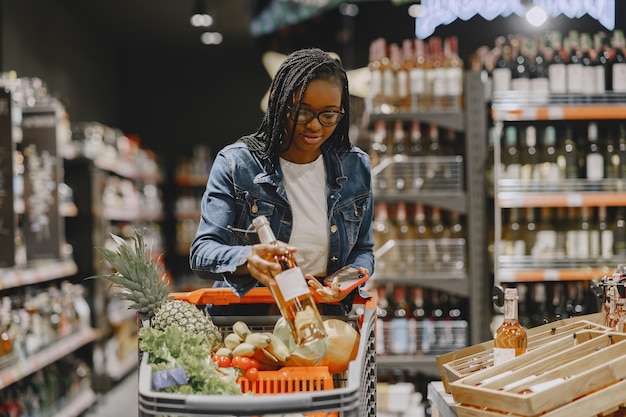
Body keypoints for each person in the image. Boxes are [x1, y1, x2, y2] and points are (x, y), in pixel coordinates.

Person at [189, 48, 374, 316]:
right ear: (277, 101)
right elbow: (202, 253)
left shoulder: (355, 167)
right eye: (302, 112)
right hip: (247, 319)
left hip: (326, 317)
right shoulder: (237, 164)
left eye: (329, 115)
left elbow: (363, 250)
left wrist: (346, 279)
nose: (315, 126)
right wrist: (247, 258)